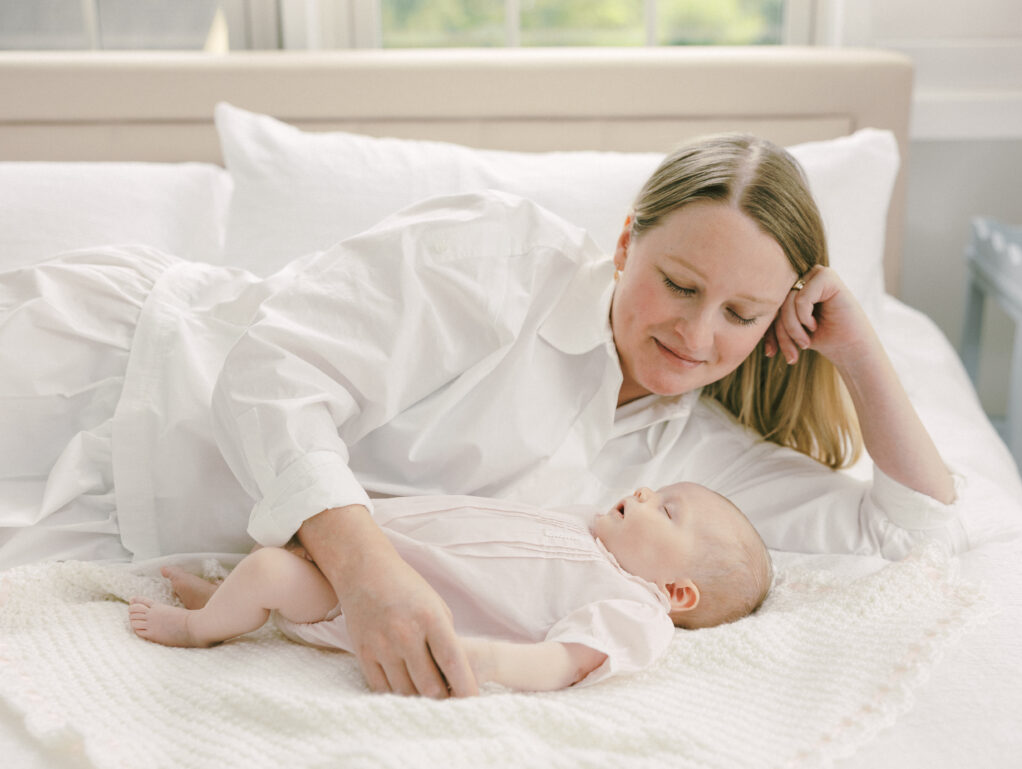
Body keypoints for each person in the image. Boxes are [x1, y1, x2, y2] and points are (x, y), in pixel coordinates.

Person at [0, 133, 966, 700]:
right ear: (625, 242)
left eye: (742, 314)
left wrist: (859, 348)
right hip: (110, 377)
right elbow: (272, 371)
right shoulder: (502, 258)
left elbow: (914, 533)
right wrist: (366, 571)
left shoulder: (699, 467)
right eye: (677, 283)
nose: (696, 333)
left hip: (132, 532)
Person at [128, 482, 773, 692]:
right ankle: (227, 605)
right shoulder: (589, 528)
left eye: (666, 510)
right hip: (364, 546)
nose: (644, 492)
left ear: (678, 592)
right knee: (275, 544)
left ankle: (198, 627)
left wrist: (485, 659)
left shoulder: (636, 611)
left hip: (362, 604)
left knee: (270, 572)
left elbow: (563, 662)